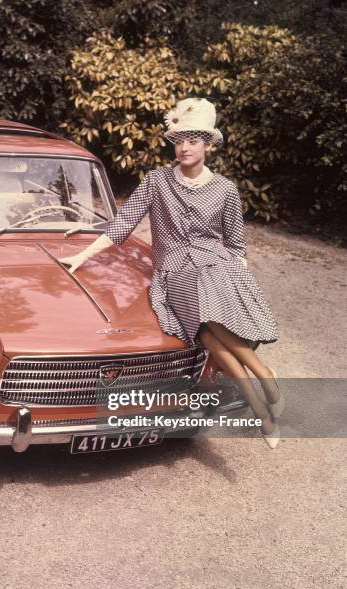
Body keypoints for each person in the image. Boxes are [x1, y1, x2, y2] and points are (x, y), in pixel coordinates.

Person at [58, 97, 284, 448]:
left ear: (208, 145)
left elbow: (236, 246)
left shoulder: (225, 188)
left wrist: (242, 289)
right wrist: (82, 256)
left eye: (192, 140)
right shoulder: (157, 181)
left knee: (209, 335)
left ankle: (261, 403)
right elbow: (122, 224)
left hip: (216, 268)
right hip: (175, 274)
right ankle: (264, 382)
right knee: (206, 328)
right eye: (178, 140)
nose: (183, 147)